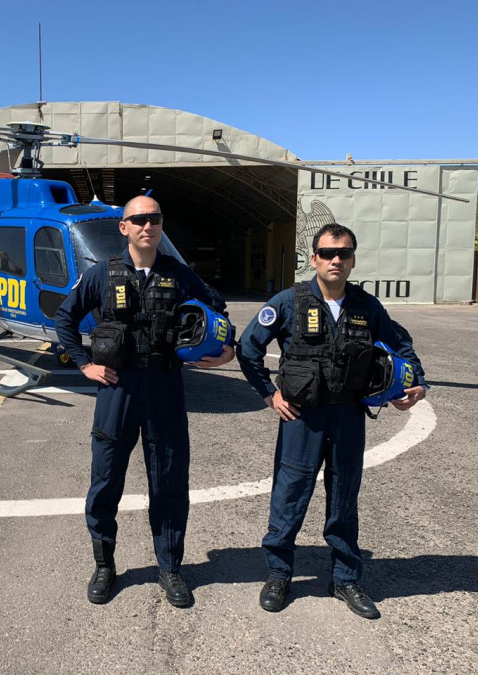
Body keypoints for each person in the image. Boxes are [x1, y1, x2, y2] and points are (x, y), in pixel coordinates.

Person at [236, 222, 427, 619]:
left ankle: (344, 578)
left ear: (353, 260)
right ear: (314, 259)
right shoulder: (289, 302)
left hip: (348, 416)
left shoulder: (367, 307)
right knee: (290, 495)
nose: (335, 260)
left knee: (343, 498)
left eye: (343, 253)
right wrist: (269, 395)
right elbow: (248, 348)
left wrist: (415, 385)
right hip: (302, 418)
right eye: (327, 253)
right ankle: (278, 573)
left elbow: (401, 347)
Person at [54, 195, 234, 607]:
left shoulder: (180, 274)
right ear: (124, 227)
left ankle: (169, 567)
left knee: (169, 483)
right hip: (117, 389)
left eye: (154, 219)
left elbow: (220, 313)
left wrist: (226, 350)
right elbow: (64, 318)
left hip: (165, 386)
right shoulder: (102, 273)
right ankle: (104, 565)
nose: (146, 226)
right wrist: (83, 365)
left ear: (160, 225)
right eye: (138, 220)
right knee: (105, 482)